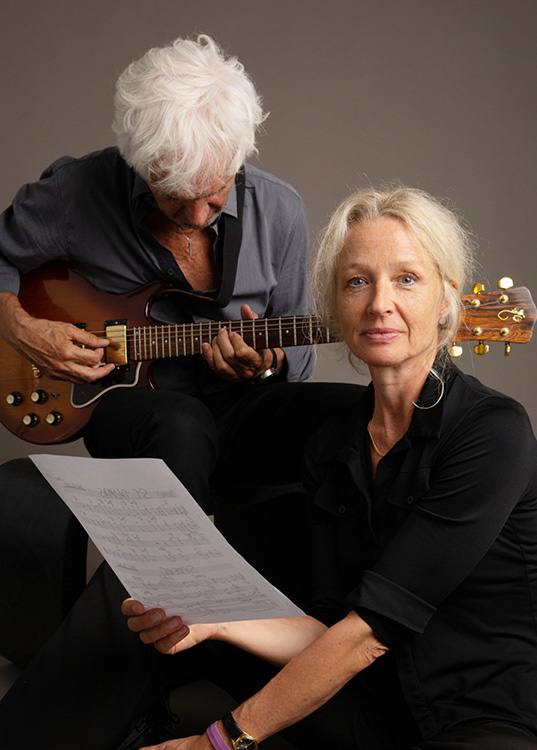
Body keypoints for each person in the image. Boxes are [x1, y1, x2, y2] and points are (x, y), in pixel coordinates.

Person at [116, 184, 537, 750]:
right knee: (192, 635)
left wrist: (218, 741)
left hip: (486, 719)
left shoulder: (494, 431)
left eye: (407, 279)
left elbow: (372, 631)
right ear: (337, 304)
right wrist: (217, 622)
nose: (379, 303)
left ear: (446, 301)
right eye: (356, 281)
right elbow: (327, 627)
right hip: (376, 704)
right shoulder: (333, 442)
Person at [0, 33, 361, 509]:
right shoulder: (76, 192)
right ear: (138, 163)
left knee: (358, 413)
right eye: (173, 194)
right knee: (182, 425)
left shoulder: (279, 209)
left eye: (214, 193)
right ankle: (169, 562)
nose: (196, 216)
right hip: (132, 411)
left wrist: (267, 363)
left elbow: (296, 348)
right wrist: (21, 329)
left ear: (237, 158)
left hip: (239, 409)